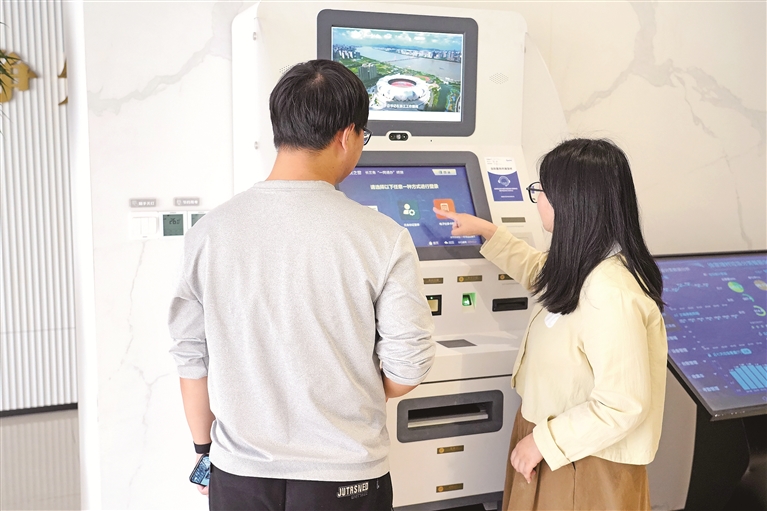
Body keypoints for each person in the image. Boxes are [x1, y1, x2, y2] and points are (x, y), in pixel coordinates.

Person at [168, 59, 435, 511]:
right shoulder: (383, 237)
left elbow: (191, 357)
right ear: (346, 136)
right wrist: (352, 386)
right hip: (346, 477)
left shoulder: (208, 233)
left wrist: (203, 451)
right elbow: (408, 367)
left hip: (240, 475)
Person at [435, 138, 667, 511]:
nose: (538, 199)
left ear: (571, 201)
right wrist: (487, 231)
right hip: (557, 446)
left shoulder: (611, 295)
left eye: (542, 190)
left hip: (580, 461)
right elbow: (542, 273)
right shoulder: (586, 266)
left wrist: (542, 443)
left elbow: (623, 405)